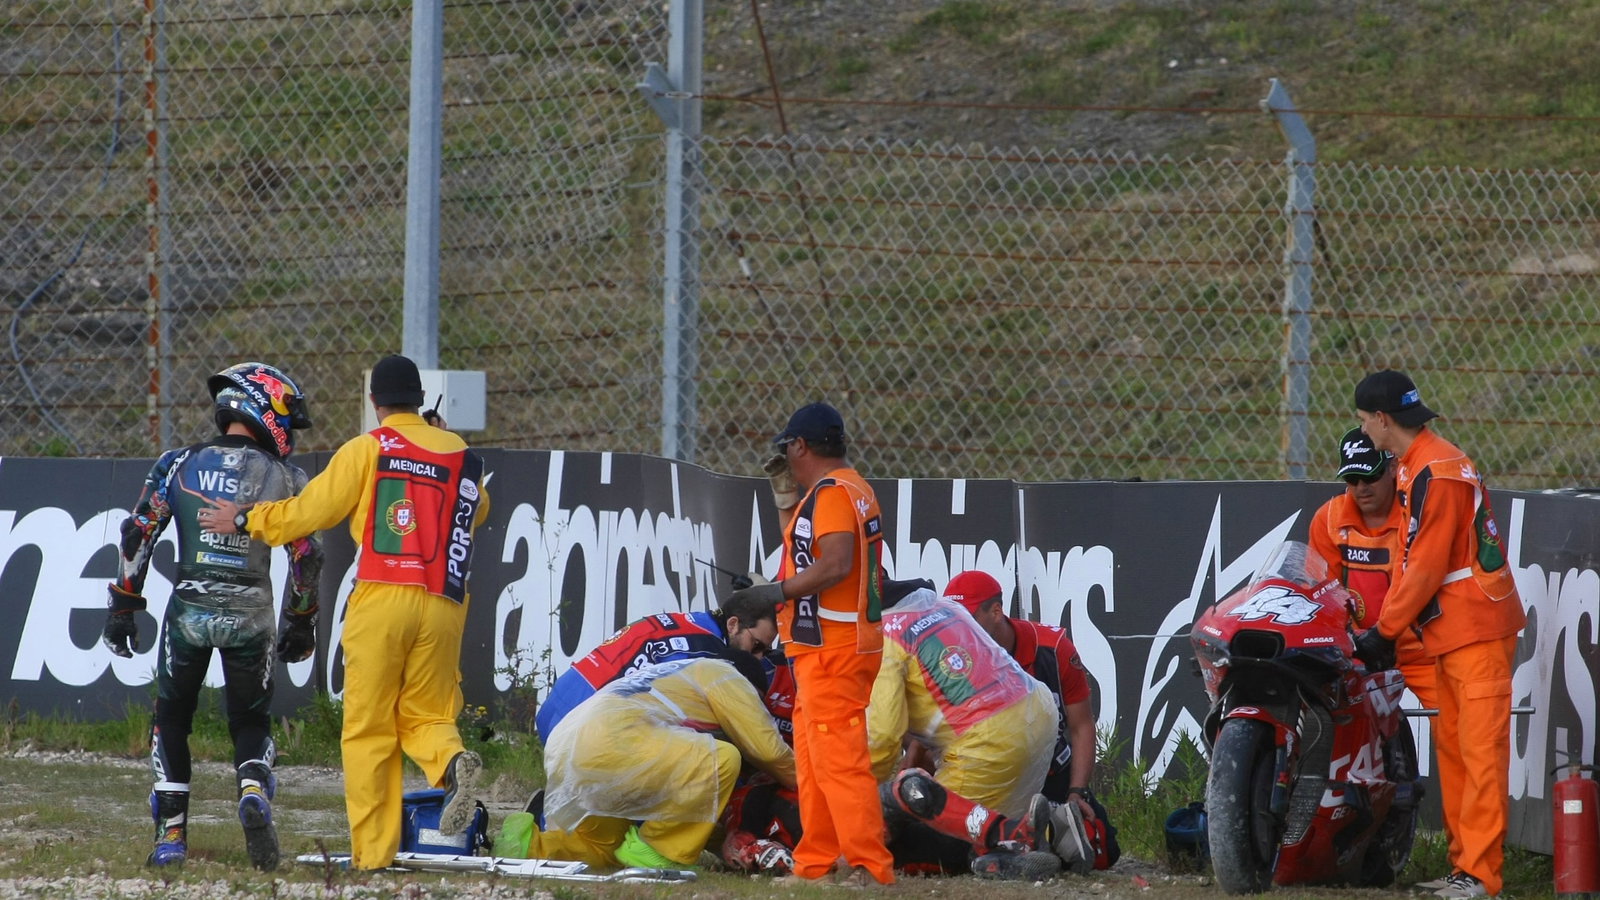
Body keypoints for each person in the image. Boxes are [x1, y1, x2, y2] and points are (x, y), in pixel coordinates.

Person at [197, 354, 491, 870]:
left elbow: (310, 512)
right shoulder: (461, 453)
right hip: (444, 604)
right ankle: (450, 762)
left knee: (369, 728)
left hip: (382, 596)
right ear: (421, 401)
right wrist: (443, 440)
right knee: (427, 713)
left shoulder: (369, 448)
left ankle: (373, 856)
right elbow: (478, 510)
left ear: (374, 402)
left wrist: (245, 518)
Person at [105, 361, 321, 870]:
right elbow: (307, 555)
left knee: (172, 718)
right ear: (262, 407)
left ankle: (171, 837)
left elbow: (138, 534)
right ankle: (251, 786)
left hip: (188, 613)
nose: (288, 430)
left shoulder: (178, 462)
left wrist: (123, 606)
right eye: (287, 418)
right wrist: (301, 619)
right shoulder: (288, 476)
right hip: (252, 613)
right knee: (249, 720)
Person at [1350, 370, 1525, 900]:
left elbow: (1424, 567)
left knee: (1478, 754)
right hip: (1451, 632)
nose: (1362, 430)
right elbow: (1414, 563)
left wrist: (1384, 631)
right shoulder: (1418, 467)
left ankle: (1480, 876)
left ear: (1382, 420)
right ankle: (1464, 868)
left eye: (1363, 421)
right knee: (1454, 752)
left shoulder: (1439, 471)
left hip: (1475, 630)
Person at [727, 402, 896, 886]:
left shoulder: (835, 494)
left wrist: (772, 593)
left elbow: (835, 563)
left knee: (839, 760)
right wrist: (785, 498)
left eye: (788, 450)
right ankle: (815, 863)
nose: (787, 459)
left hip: (835, 649)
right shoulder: (840, 489)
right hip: (826, 649)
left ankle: (869, 866)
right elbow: (807, 551)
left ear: (801, 446)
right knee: (816, 759)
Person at [868, 585, 1074, 880]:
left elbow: (883, 739)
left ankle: (1010, 848)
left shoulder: (882, 636)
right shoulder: (939, 604)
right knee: (973, 814)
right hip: (1035, 709)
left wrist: (858, 795)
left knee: (926, 835)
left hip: (987, 740)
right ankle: (1047, 828)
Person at [521, 655, 796, 869]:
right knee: (721, 759)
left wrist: (724, 838)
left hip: (568, 743)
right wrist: (814, 785)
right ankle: (655, 851)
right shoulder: (726, 675)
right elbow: (767, 751)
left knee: (600, 846)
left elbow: (692, 808)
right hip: (614, 741)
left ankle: (527, 844)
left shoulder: (675, 674)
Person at [945, 571, 1119, 869]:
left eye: (967, 617)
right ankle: (1024, 844)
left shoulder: (1053, 648)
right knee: (939, 846)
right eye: (952, 618)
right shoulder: (951, 655)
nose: (958, 628)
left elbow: (1082, 726)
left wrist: (1077, 792)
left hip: (1051, 775)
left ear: (996, 611)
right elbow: (931, 729)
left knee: (1103, 850)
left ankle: (1029, 839)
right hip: (985, 777)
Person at [1306, 428, 1438, 711]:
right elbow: (1323, 594)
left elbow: (1426, 581)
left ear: (1393, 467)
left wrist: (1387, 636)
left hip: (1422, 652)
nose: (1361, 487)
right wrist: (1356, 643)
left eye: (1370, 476)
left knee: (1456, 731)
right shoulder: (1327, 519)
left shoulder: (1415, 514)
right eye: (1352, 479)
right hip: (1357, 654)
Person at [534, 595, 779, 740]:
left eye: (765, 652)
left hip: (554, 708)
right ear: (733, 624)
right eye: (755, 645)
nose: (757, 658)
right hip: (579, 727)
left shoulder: (690, 622)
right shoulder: (708, 653)